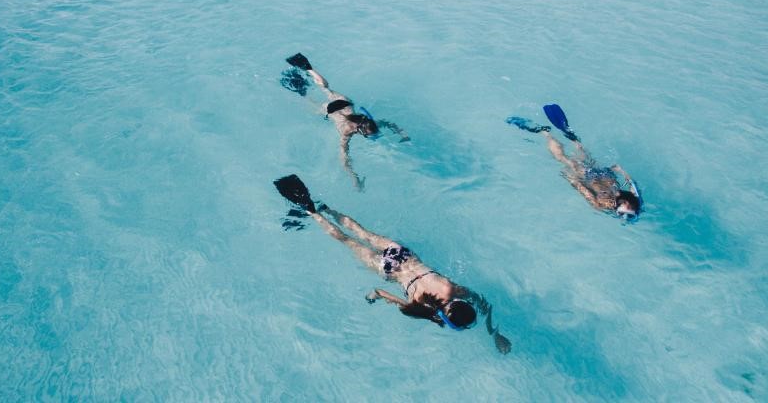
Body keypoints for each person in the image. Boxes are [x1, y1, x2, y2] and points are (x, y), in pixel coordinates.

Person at [273, 174, 512, 354]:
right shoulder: (420, 306)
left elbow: (483, 304)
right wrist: (495, 334)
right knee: (345, 240)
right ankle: (312, 212)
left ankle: (326, 208)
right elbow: (379, 293)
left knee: (360, 232)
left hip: (403, 255)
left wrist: (489, 327)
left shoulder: (451, 289)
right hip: (388, 270)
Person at [283, 53, 409, 190]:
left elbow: (388, 123)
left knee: (326, 89)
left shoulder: (366, 121)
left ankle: (308, 69)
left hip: (345, 103)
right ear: (359, 131)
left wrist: (403, 134)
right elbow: (344, 157)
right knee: (310, 103)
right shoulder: (347, 131)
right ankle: (300, 90)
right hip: (329, 111)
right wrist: (354, 178)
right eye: (366, 135)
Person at [507, 104, 641, 221]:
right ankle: (545, 133)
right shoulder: (600, 205)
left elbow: (631, 182)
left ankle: (570, 137)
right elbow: (583, 190)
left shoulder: (634, 197)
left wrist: (620, 170)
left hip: (604, 173)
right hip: (588, 176)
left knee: (580, 149)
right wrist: (571, 179)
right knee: (563, 159)